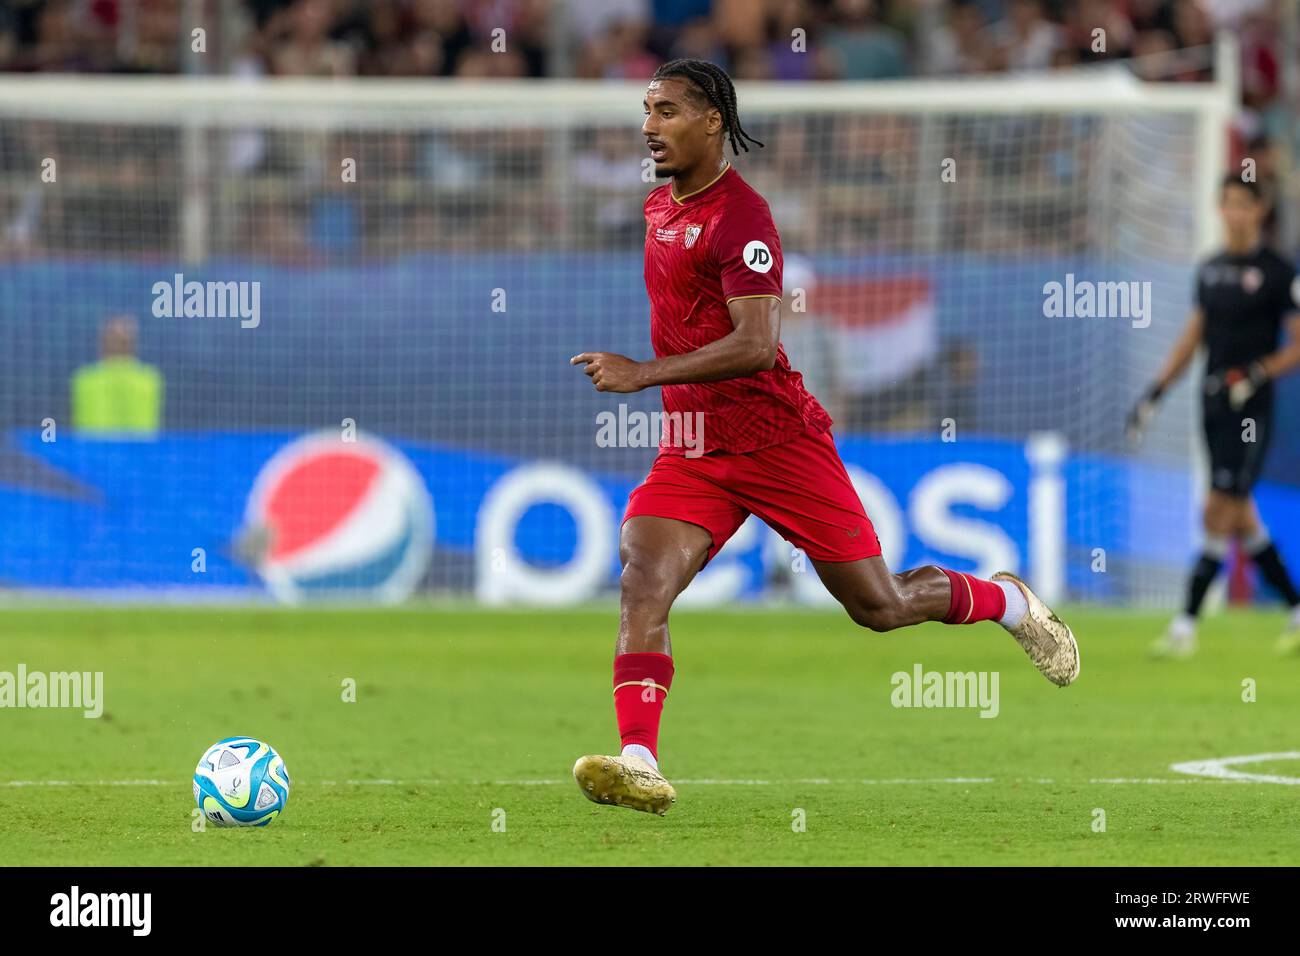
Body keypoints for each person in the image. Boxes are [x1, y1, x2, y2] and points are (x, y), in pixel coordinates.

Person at [569, 59, 1080, 816]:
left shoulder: (743, 218)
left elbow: (753, 343)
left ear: (713, 121)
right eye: (646, 109)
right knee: (642, 584)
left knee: (879, 607)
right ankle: (640, 761)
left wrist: (641, 374)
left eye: (668, 110)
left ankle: (1003, 602)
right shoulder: (658, 209)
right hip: (693, 447)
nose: (649, 126)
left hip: (777, 441)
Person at [1129, 175, 1300, 657]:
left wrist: (1257, 372)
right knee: (1240, 515)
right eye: (1227, 204)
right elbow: (1193, 338)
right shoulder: (1209, 271)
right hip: (1212, 403)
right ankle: (1296, 607)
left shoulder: (1279, 272)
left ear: (1260, 210)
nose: (1235, 213)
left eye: (1244, 204)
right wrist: (1156, 391)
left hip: (1253, 409)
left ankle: (1185, 625)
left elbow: (1297, 345)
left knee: (1219, 509)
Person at [71, 316, 163, 436]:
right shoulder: (150, 380)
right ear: (132, 344)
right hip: (139, 452)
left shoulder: (84, 379)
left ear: (102, 343)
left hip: (93, 452)